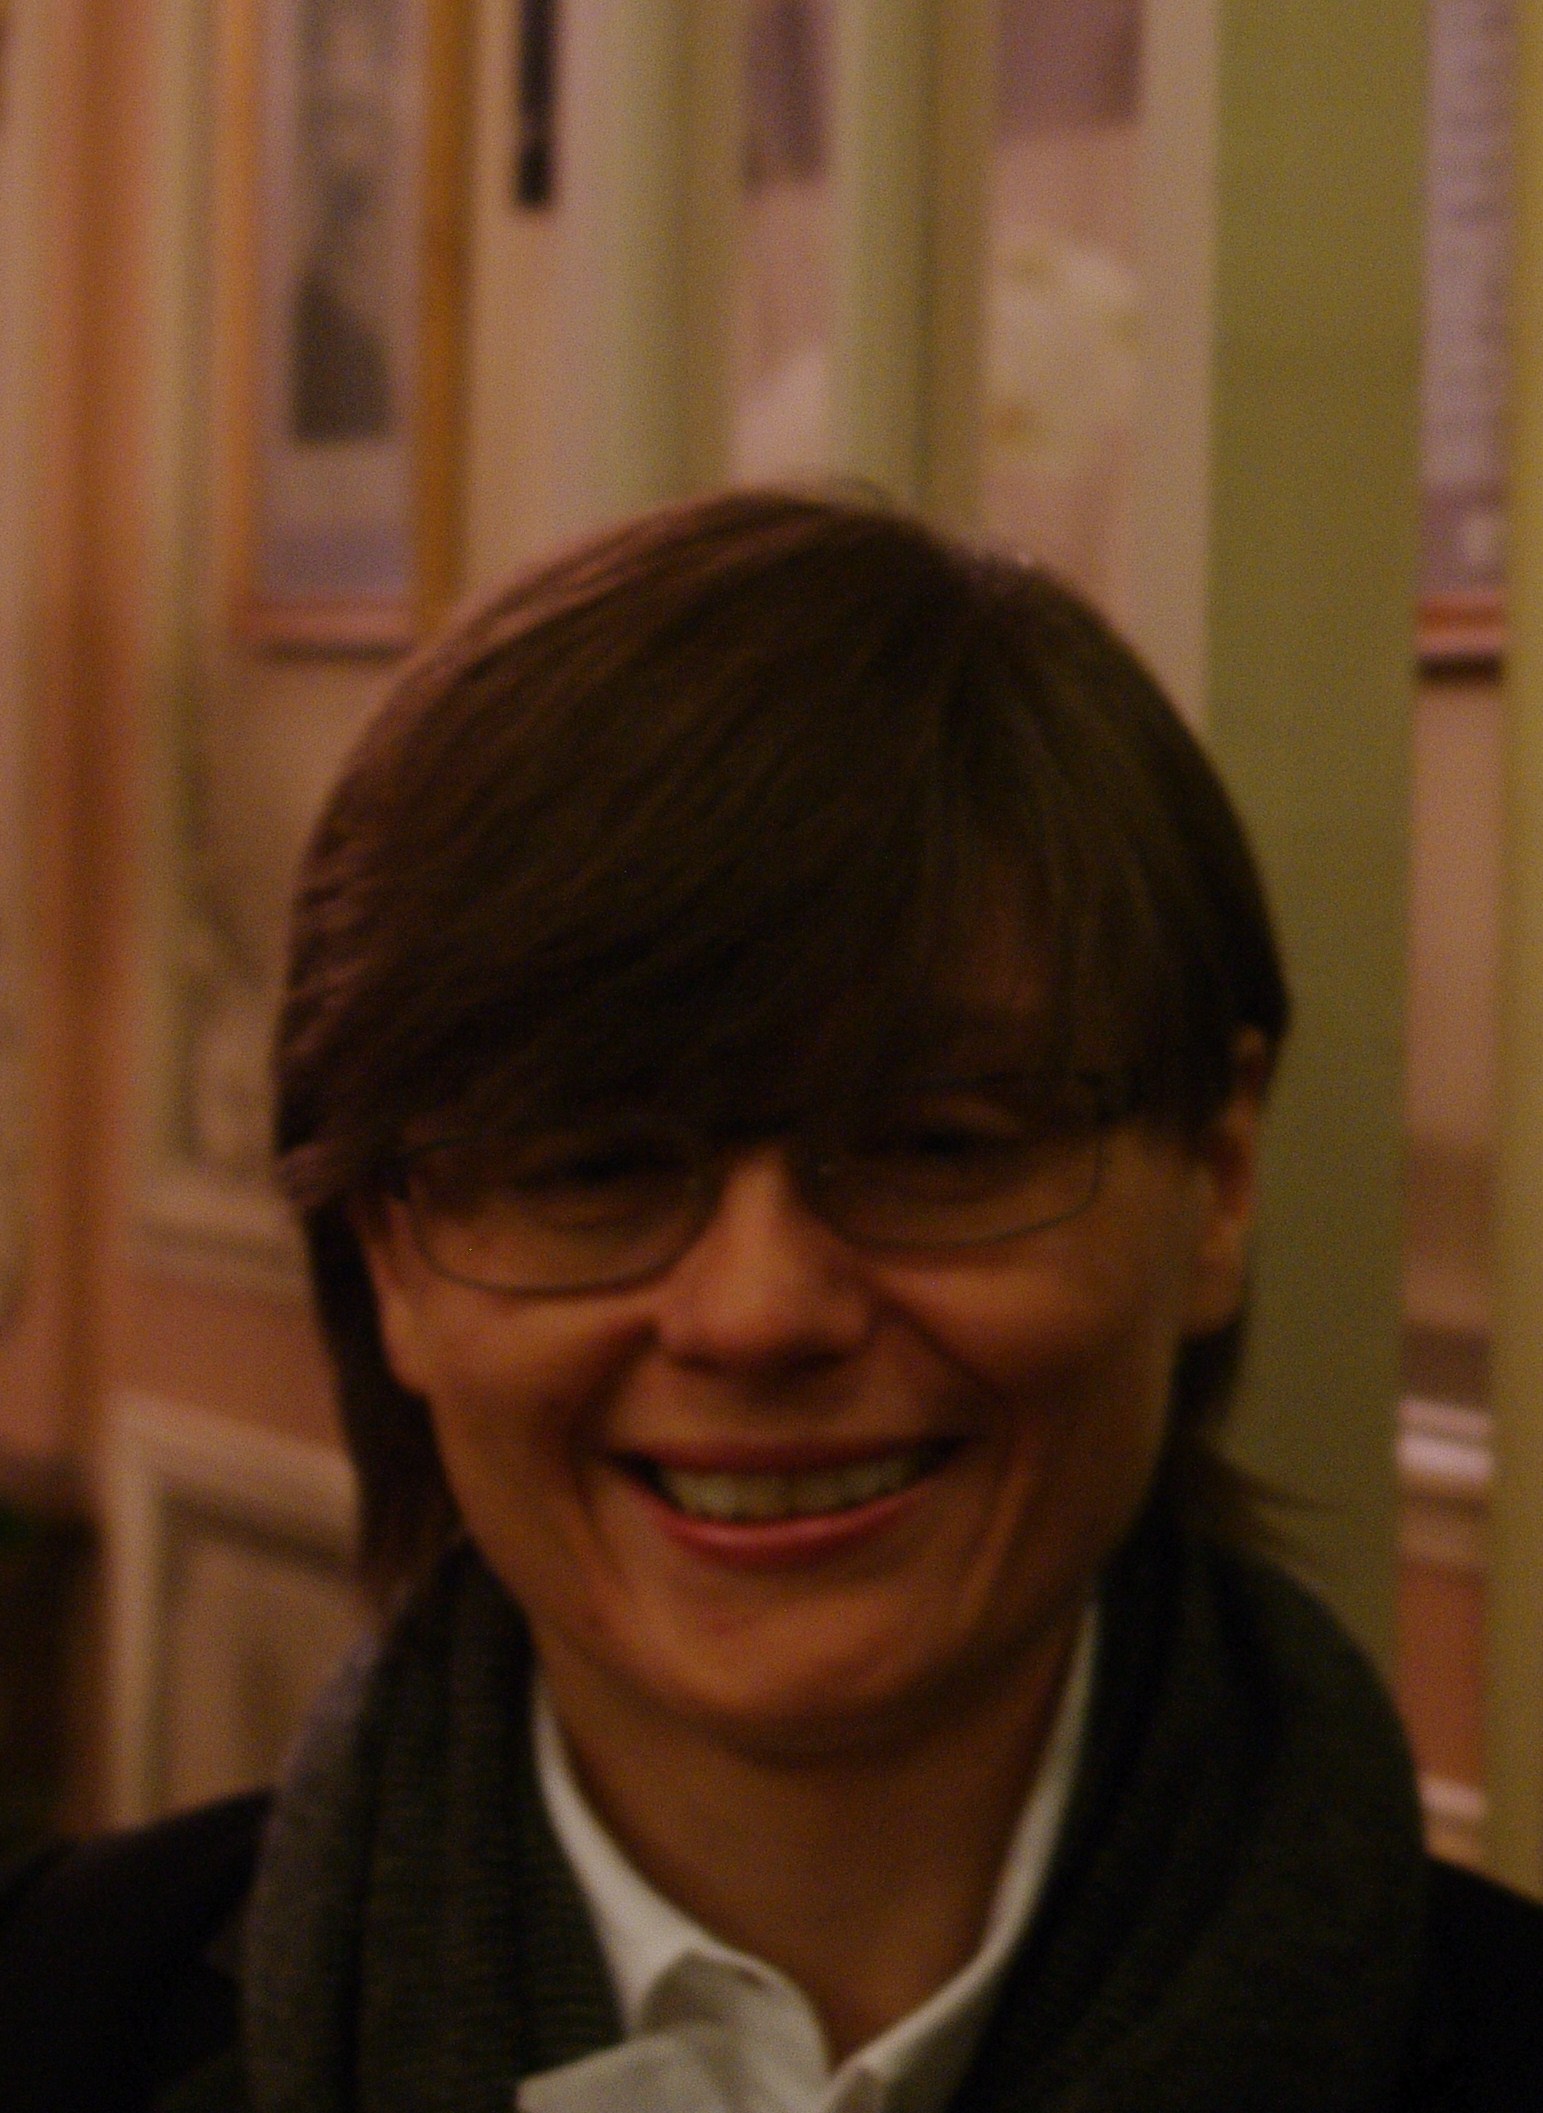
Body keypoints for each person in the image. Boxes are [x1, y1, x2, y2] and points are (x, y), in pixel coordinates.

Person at [4, 491, 1541, 2110]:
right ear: (393, 1253)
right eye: (596, 1166)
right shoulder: (50, 2027)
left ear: (1216, 1177)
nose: (755, 1312)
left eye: (936, 1145)